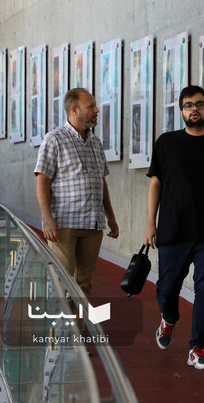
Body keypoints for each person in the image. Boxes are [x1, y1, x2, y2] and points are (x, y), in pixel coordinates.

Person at [144, 85, 204, 370]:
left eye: (199, 104)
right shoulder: (166, 143)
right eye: (188, 105)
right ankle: (169, 318)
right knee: (166, 288)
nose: (194, 108)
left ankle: (197, 347)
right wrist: (150, 223)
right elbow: (155, 183)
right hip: (173, 228)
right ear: (181, 111)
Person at [34, 88, 119, 298]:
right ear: (74, 110)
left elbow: (101, 182)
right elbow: (42, 181)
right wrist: (47, 219)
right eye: (91, 106)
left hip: (93, 225)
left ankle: (76, 330)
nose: (97, 110)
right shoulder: (53, 140)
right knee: (63, 284)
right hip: (64, 226)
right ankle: (63, 331)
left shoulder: (96, 143)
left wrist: (111, 217)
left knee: (84, 285)